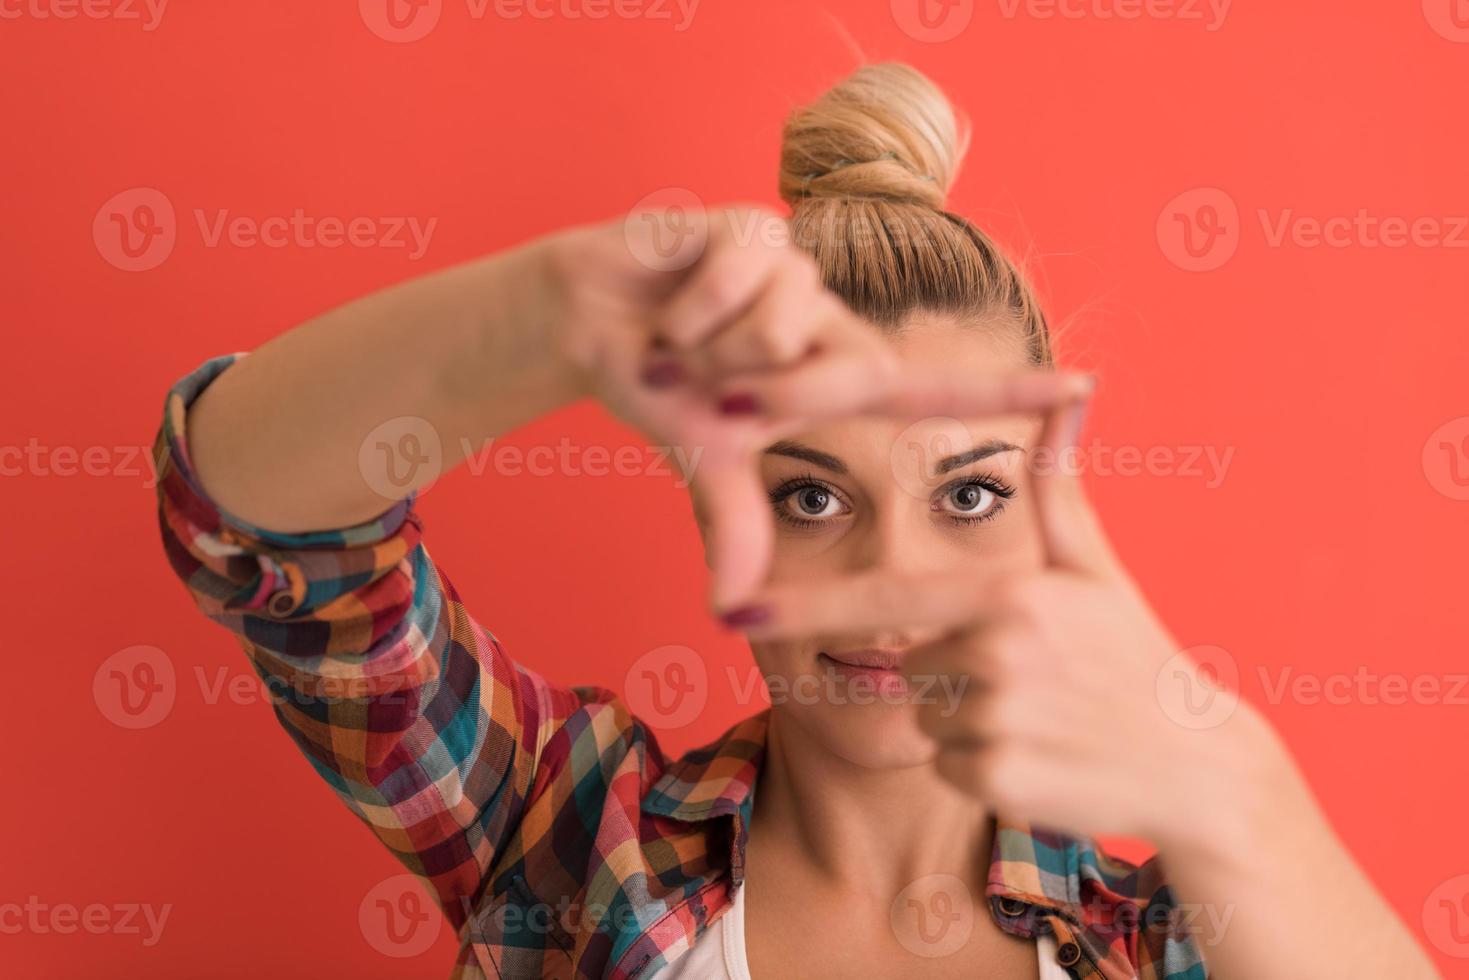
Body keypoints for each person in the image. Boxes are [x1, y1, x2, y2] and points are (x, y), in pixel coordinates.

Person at [151, 63, 1439, 979]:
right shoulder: (567, 838)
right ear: (720, 525)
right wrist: (549, 311)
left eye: (969, 494)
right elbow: (255, 528)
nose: (890, 581)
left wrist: (1225, 782)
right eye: (811, 496)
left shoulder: (1169, 940)